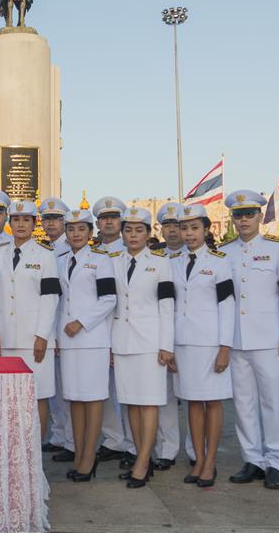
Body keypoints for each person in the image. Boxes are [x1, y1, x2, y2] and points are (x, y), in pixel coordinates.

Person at [220, 190, 279, 490]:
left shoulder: (278, 249)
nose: (243, 220)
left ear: (259, 216)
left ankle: (276, 460)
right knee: (243, 403)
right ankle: (252, 458)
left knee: (274, 401)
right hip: (237, 339)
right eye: (238, 215)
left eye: (249, 214)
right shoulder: (225, 252)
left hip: (269, 339)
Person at [170, 205, 235, 488]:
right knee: (193, 401)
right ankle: (198, 458)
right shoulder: (171, 261)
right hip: (182, 342)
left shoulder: (219, 262)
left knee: (213, 401)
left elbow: (227, 305)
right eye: (184, 228)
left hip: (210, 342)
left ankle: (210, 461)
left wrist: (225, 347)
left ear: (206, 230)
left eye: (195, 228)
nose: (189, 233)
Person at [110, 207, 174, 488]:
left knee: (148, 404)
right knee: (131, 404)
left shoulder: (160, 263)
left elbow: (167, 306)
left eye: (139, 230)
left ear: (149, 234)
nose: (133, 235)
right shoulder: (113, 261)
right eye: (128, 230)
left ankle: (144, 461)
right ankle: (139, 455)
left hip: (150, 343)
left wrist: (166, 345)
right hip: (122, 342)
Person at [0, 200, 59, 435]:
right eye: (16, 219)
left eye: (26, 220)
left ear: (34, 224)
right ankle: (14, 456)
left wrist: (42, 335)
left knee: (38, 397)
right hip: (7, 338)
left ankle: (35, 458)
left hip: (35, 340)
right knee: (10, 399)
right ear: (10, 223)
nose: (20, 224)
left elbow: (50, 298)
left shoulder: (45, 255)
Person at [56, 208, 115, 482]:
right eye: (71, 229)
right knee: (74, 399)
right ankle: (78, 453)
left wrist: (81, 322)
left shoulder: (101, 261)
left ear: (91, 233)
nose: (76, 234)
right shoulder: (59, 260)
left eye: (81, 229)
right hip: (67, 340)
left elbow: (109, 300)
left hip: (92, 339)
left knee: (92, 399)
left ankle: (89, 458)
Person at [91, 196, 134, 467]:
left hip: (124, 329)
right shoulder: (92, 253)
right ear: (97, 223)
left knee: (128, 392)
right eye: (104, 218)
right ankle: (113, 440)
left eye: (114, 217)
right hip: (96, 331)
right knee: (103, 390)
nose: (108, 222)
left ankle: (132, 444)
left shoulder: (131, 251)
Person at [39, 196, 73, 460]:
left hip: (68, 328)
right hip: (48, 327)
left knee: (68, 389)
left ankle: (71, 441)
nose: (50, 224)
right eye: (46, 219)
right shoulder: (46, 250)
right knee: (55, 388)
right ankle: (59, 435)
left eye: (55, 219)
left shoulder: (70, 250)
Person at [152, 202, 185, 471]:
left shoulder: (204, 256)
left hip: (192, 336)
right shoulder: (154, 256)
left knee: (200, 399)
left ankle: (198, 452)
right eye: (167, 226)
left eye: (177, 226)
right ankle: (167, 449)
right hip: (160, 335)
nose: (172, 231)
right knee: (165, 397)